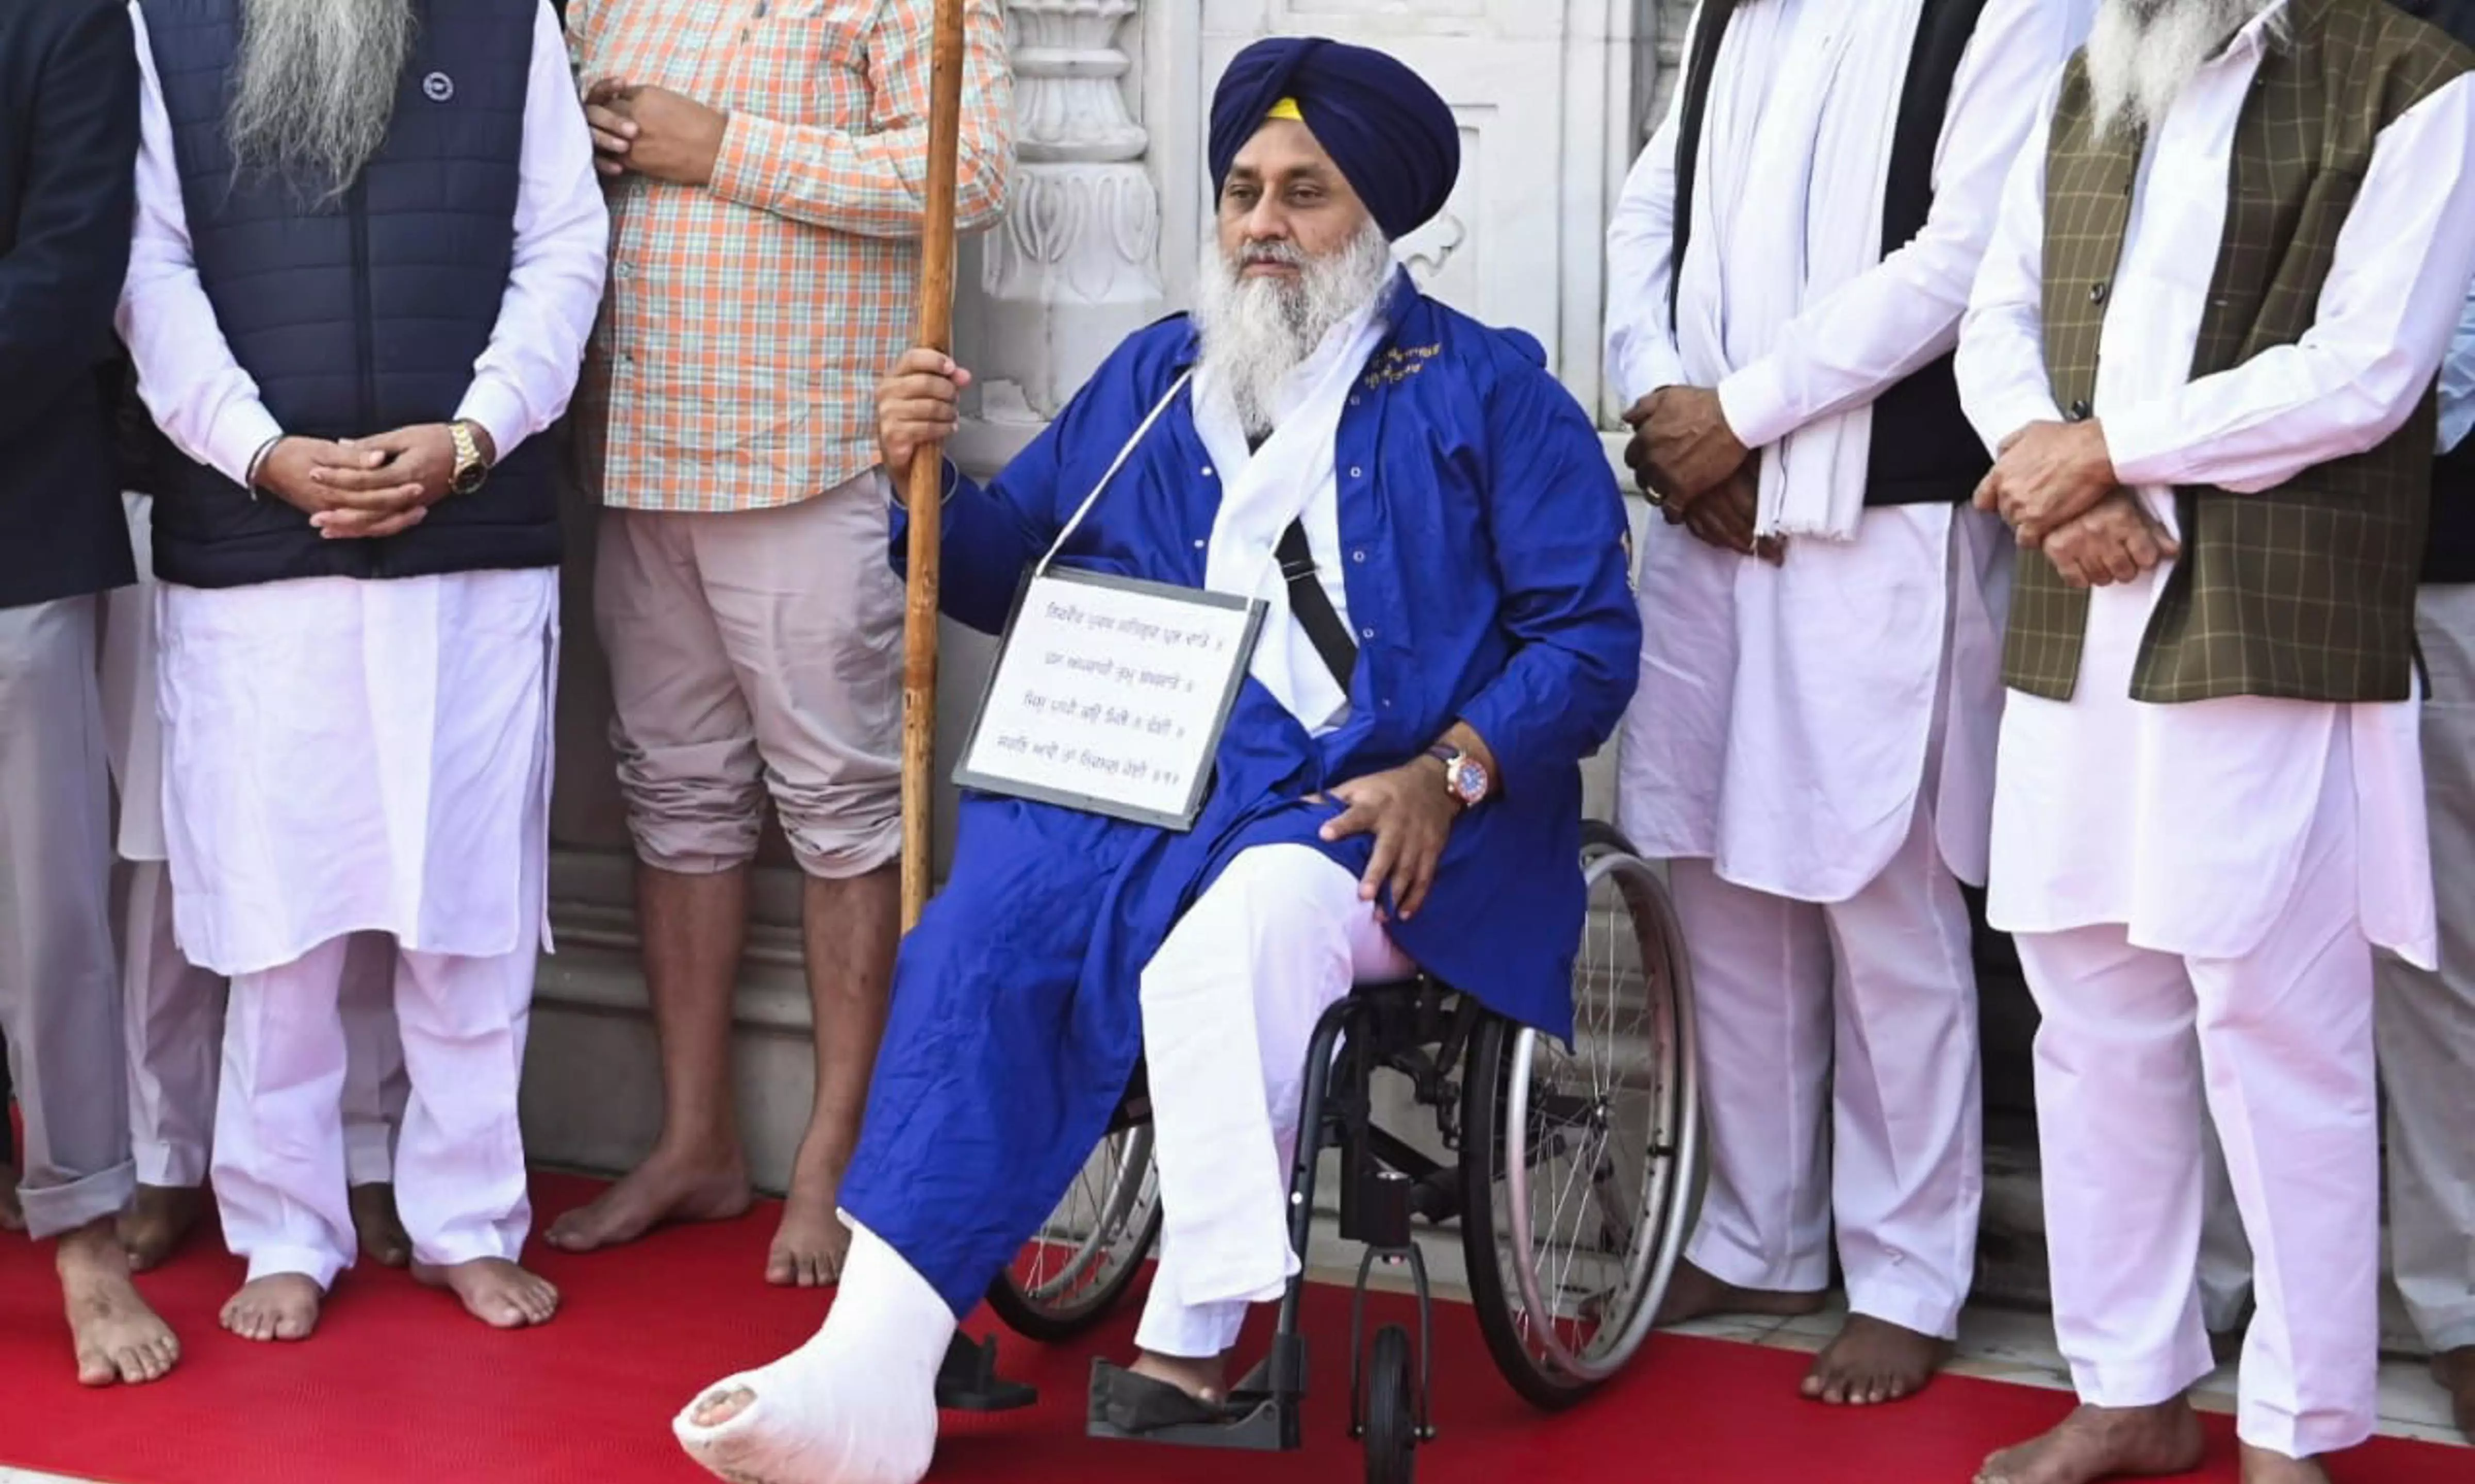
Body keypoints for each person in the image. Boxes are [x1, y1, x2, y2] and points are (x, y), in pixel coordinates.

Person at [664, 36, 1640, 1484]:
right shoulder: (1149, 382)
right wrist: (916, 473)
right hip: (1147, 791)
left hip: (1372, 807)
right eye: (1243, 187)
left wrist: (1457, 766)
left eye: (1305, 193)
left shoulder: (1492, 395)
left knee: (1233, 937)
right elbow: (1008, 569)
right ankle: (874, 1357)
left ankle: (1197, 1329)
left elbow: (1588, 637)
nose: (1262, 222)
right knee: (980, 934)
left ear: (1377, 216)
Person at [1954, 0, 2475, 1480]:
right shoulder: (2088, 78)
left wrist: (2114, 448)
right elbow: (1998, 314)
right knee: (2092, 1016)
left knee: (2276, 1024)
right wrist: (2056, 466)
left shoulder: (2416, 82)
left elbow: (2372, 366)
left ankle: (2295, 1421)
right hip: (2076, 604)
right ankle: (2129, 1385)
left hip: (2268, 618)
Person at [1603, 0, 2087, 1406]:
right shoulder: (1730, 9)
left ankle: (1909, 1270)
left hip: (1886, 512)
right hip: (1708, 507)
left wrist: (1743, 413)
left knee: (1884, 889)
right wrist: (1662, 401)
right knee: (1719, 878)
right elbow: (1652, 206)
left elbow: (1963, 256)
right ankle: (1758, 1233)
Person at [115, 0, 607, 1339]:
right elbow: (146, 269)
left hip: (472, 535)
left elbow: (564, 243)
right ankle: (283, 1221)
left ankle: (465, 1216)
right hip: (256, 538)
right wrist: (257, 448)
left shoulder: (512, 22)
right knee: (278, 911)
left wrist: (476, 433)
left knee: (466, 909)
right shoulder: (168, 26)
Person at [547, 0, 1015, 1290]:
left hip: (812, 450)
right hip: (636, 441)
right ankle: (694, 1137)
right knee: (675, 802)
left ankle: (832, 1152)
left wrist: (722, 148)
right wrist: (581, 145)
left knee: (842, 810)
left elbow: (964, 170)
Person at [2188, 2, 2475, 1445]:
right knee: (2220, 948)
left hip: (2449, 563)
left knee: (2437, 953)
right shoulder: (2236, 37)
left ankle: (2459, 1297)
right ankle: (2216, 1295)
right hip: (2243, 562)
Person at [95, 358, 417, 1274]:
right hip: (169, 481)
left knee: (354, 842)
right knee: (161, 845)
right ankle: (163, 1151)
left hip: (368, 482)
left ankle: (364, 1152)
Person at [0, 0, 178, 1388]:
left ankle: (82, 1235)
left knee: (48, 904)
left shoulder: (64, 20)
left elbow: (66, 281)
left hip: (17, 535)